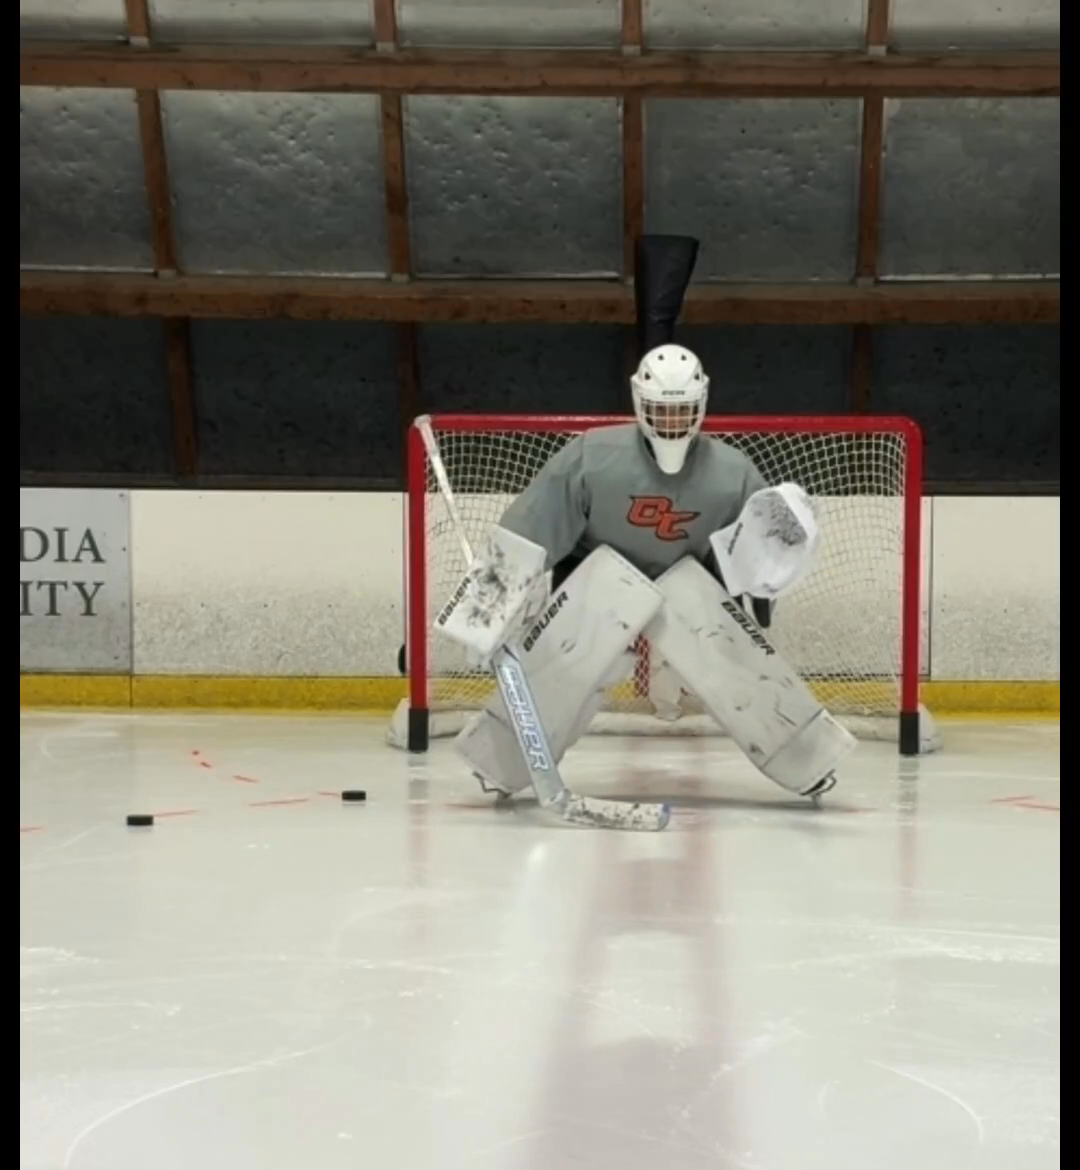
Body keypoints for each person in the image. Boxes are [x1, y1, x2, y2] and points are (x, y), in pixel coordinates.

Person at [435, 343, 854, 803]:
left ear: (702, 404)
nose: (671, 422)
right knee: (573, 660)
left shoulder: (734, 473)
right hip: (598, 584)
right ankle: (500, 762)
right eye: (660, 410)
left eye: (682, 411)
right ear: (639, 402)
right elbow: (530, 532)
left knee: (725, 653)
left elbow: (754, 560)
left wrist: (772, 569)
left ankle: (807, 758)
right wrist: (482, 618)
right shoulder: (590, 458)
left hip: (688, 589)